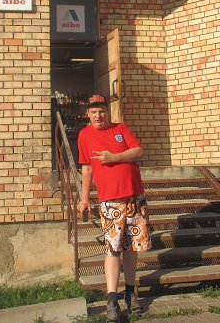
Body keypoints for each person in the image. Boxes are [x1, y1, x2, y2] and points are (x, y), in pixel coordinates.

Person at [77, 94, 151, 322]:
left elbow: (138, 152)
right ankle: (111, 299)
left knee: (131, 248)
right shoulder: (84, 135)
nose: (98, 115)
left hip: (135, 197)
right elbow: (87, 169)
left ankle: (130, 293)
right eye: (93, 112)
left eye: (101, 111)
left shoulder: (120, 129)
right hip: (110, 201)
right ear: (88, 115)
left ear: (107, 112)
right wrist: (85, 198)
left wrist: (114, 157)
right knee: (113, 248)